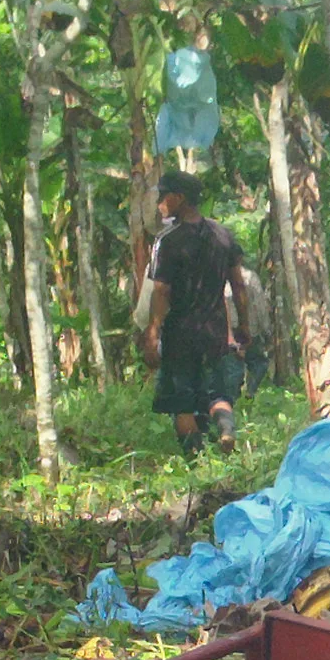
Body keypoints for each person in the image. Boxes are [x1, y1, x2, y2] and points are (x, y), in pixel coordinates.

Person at [139, 169, 255, 458]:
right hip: (215, 330)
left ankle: (196, 459)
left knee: (183, 403)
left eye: (163, 196)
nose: (160, 204)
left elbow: (161, 291)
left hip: (180, 333)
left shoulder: (168, 240)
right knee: (217, 394)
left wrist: (153, 332)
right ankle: (226, 429)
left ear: (179, 198)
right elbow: (238, 285)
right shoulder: (223, 235)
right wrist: (244, 326)